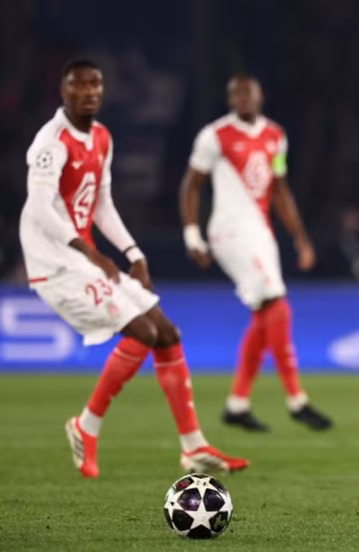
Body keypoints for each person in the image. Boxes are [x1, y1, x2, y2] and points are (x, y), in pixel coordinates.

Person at [19, 59, 248, 478]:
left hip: (82, 257)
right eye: (79, 85)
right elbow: (39, 208)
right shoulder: (52, 142)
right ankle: (86, 427)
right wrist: (88, 252)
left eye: (96, 84)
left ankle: (193, 447)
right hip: (55, 262)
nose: (90, 91)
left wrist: (133, 253)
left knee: (167, 333)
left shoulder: (102, 137)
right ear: (64, 91)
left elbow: (102, 204)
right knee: (143, 332)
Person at [179, 75, 332, 432]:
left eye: (248, 93)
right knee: (277, 305)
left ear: (261, 96)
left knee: (265, 315)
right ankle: (297, 400)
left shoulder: (276, 136)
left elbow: (279, 189)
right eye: (236, 94)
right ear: (229, 99)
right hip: (229, 231)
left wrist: (300, 237)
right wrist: (192, 235)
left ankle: (237, 404)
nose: (242, 99)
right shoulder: (214, 136)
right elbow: (192, 184)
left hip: (261, 234)